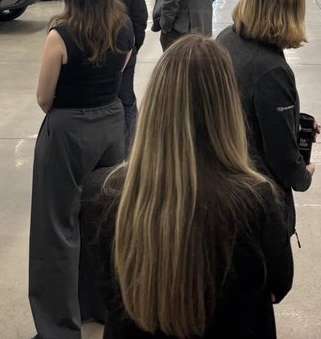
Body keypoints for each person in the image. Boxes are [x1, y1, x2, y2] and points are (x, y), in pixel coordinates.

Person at [87, 35, 293, 338]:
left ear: (156, 103)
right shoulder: (255, 200)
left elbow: (107, 286)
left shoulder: (108, 196)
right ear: (227, 108)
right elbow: (278, 287)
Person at [30, 0, 134, 339]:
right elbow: (120, 75)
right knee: (103, 220)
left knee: (56, 227)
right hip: (110, 125)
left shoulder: (61, 35)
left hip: (69, 129)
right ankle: (103, 306)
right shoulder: (123, 29)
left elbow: (44, 96)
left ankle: (58, 326)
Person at [217, 0, 316, 235]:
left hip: (224, 176)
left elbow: (249, 105)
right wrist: (302, 175)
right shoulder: (271, 69)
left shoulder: (227, 38)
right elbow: (281, 156)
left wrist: (290, 118)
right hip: (258, 198)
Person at [93, 0, 148, 145]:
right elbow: (139, 17)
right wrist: (133, 48)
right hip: (122, 48)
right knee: (125, 100)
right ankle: (126, 156)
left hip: (87, 46)